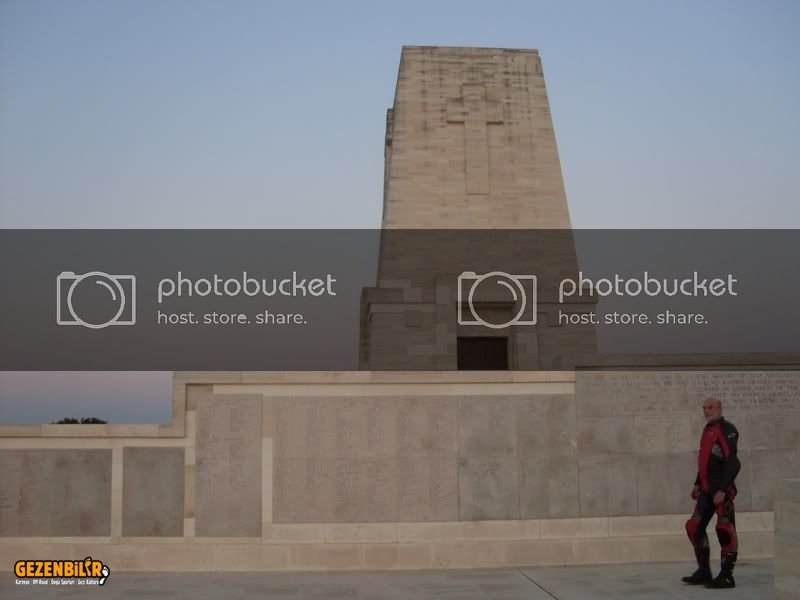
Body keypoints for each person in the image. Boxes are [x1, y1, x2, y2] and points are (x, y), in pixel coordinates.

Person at [682, 397, 741, 589]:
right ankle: (704, 572)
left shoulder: (727, 430)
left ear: (720, 408)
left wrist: (723, 490)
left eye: (710, 407)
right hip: (706, 491)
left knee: (725, 530)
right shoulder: (707, 430)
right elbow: (706, 460)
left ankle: (726, 577)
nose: (707, 411)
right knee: (694, 527)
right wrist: (697, 483)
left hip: (721, 491)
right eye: (704, 408)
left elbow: (733, 463)